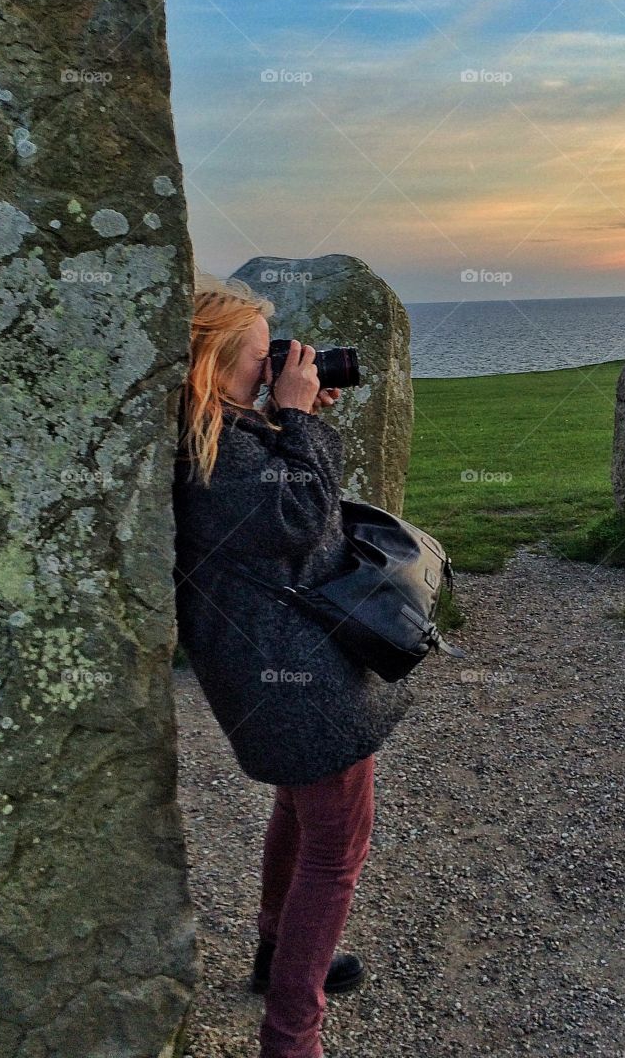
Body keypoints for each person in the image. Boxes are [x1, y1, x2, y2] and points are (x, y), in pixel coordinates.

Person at [171, 273, 414, 1058]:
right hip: (300, 680)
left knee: (299, 813)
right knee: (336, 853)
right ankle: (292, 1035)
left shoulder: (219, 432)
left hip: (269, 674)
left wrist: (290, 418)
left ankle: (277, 952)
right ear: (213, 367)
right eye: (258, 357)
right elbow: (305, 514)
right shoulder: (218, 455)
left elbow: (293, 502)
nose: (275, 366)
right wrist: (300, 418)